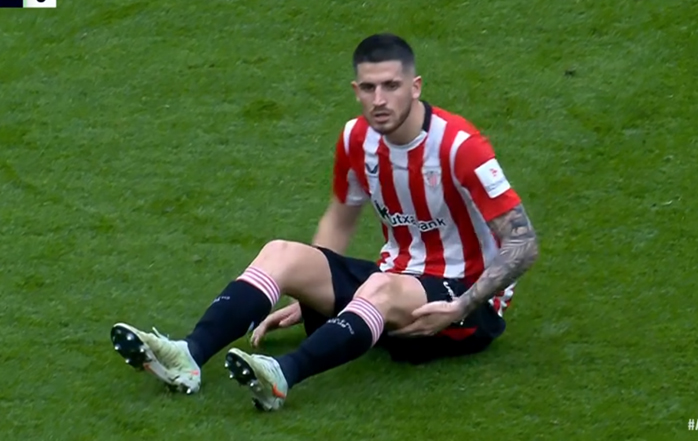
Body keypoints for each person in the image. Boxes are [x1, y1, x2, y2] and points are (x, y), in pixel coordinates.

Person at [110, 33, 539, 411]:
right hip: (393, 285)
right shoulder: (356, 138)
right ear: (356, 90)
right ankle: (188, 355)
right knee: (281, 253)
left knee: (380, 286)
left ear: (416, 86)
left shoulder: (459, 146)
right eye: (368, 88)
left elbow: (523, 243)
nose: (379, 99)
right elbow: (339, 219)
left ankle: (281, 375)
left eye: (391, 86)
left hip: (463, 304)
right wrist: (311, 295)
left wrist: (461, 306)